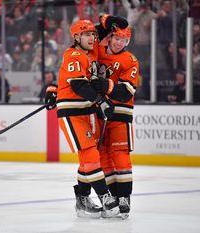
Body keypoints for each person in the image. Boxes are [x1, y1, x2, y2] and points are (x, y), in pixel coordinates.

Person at [45, 19, 123, 218]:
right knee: (89, 153)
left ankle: (82, 199)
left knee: (89, 157)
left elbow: (102, 29)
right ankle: (104, 196)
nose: (92, 37)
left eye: (92, 34)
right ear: (76, 37)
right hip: (72, 112)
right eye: (86, 34)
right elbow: (78, 85)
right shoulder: (73, 55)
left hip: (87, 110)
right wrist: (100, 101)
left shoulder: (92, 51)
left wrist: (109, 21)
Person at [89, 15, 139, 219]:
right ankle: (113, 198)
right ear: (109, 37)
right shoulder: (98, 51)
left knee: (120, 154)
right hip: (99, 113)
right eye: (116, 38)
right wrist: (105, 20)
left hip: (120, 114)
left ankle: (125, 198)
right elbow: (86, 37)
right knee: (102, 156)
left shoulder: (131, 60)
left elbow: (127, 91)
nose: (119, 43)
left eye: (124, 40)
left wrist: (106, 86)